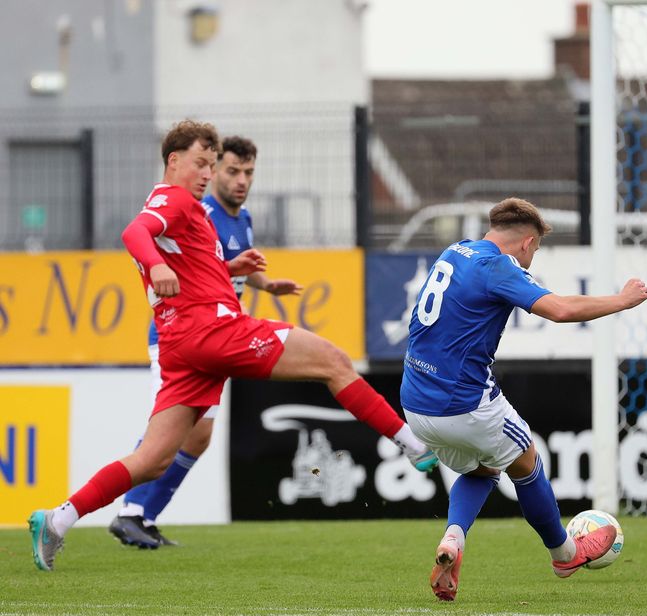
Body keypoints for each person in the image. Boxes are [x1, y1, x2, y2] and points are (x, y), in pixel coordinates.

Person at [27, 120, 434, 571]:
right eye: (200, 163)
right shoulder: (174, 198)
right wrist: (155, 266)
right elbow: (134, 234)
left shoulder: (193, 208)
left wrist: (233, 267)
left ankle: (57, 520)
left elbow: (194, 263)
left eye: (210, 164)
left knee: (153, 459)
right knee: (334, 363)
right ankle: (413, 443)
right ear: (173, 160)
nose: (206, 173)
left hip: (186, 346)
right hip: (211, 331)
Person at [399, 197, 647, 601]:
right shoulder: (498, 266)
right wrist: (622, 300)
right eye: (536, 250)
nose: (532, 258)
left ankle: (453, 538)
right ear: (527, 242)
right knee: (526, 461)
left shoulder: (455, 251)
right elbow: (560, 309)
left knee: (483, 469)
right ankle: (565, 553)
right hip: (463, 403)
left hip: (415, 403)